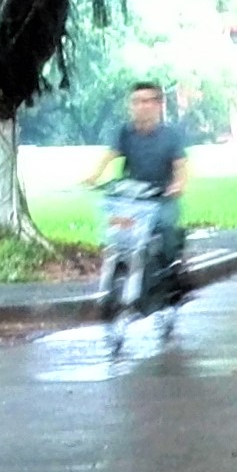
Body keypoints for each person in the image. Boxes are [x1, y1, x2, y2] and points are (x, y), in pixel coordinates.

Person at [87, 81, 190, 305]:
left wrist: (177, 185)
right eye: (136, 102)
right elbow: (110, 155)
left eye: (147, 101)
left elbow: (180, 167)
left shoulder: (171, 135)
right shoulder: (125, 132)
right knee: (116, 233)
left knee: (166, 228)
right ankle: (115, 281)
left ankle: (172, 271)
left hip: (161, 197)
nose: (141, 106)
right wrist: (93, 177)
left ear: (158, 104)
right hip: (133, 199)